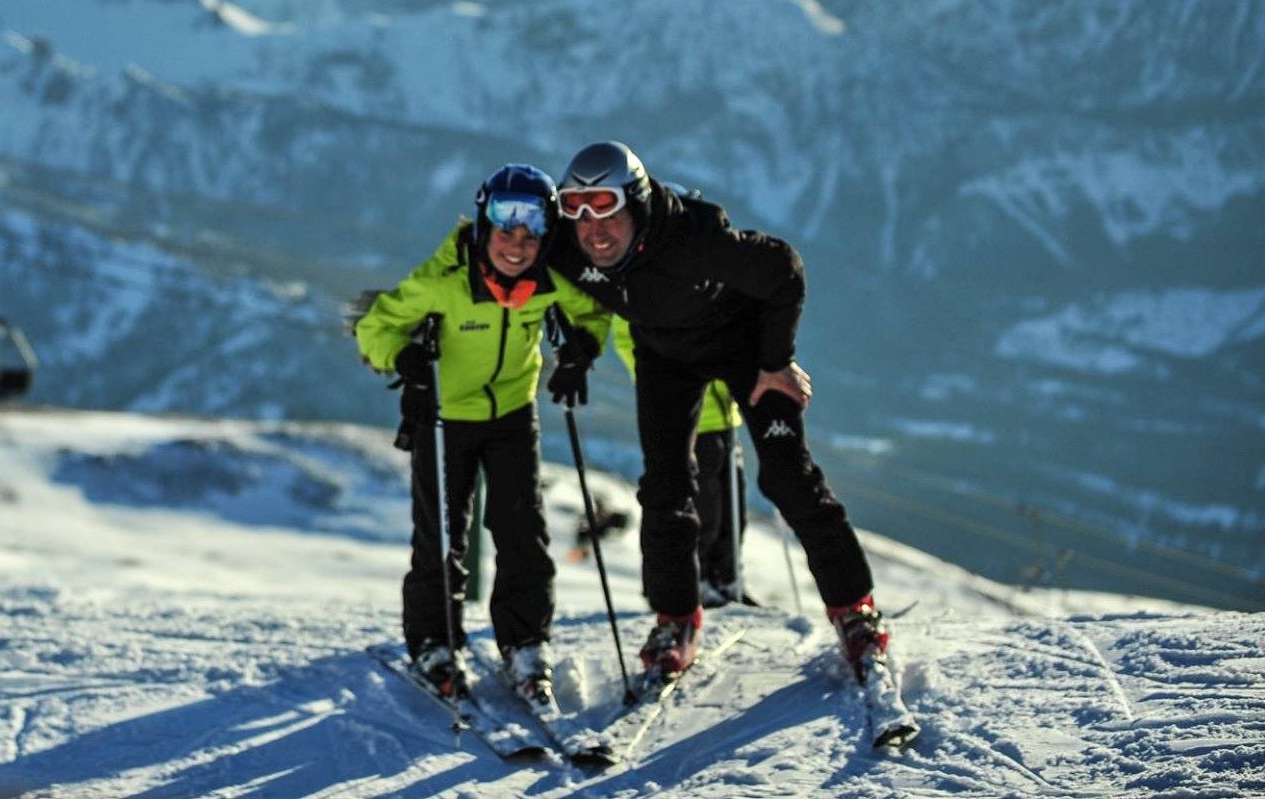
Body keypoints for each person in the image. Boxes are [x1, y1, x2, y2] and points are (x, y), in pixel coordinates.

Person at [543, 141, 888, 676]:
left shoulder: (692, 242)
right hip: (664, 356)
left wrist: (777, 360)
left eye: (607, 206)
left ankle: (854, 610)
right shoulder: (567, 244)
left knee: (787, 477)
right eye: (576, 209)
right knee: (665, 486)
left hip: (742, 348)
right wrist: (577, 349)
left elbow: (783, 268)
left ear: (636, 203)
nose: (593, 228)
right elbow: (503, 236)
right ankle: (675, 620)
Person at [355, 165, 610, 711]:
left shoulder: (551, 280)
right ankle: (434, 644)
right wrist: (404, 359)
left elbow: (592, 312)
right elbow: (375, 325)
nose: (516, 246)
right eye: (504, 230)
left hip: (513, 416)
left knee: (523, 532)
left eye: (530, 234)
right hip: (445, 417)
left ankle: (525, 645)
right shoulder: (443, 281)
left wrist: (581, 351)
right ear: (481, 224)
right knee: (442, 536)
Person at [601, 316, 753, 608]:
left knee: (731, 505)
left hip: (724, 415)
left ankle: (726, 578)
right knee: (698, 505)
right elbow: (628, 337)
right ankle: (692, 582)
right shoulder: (647, 282)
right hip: (684, 416)